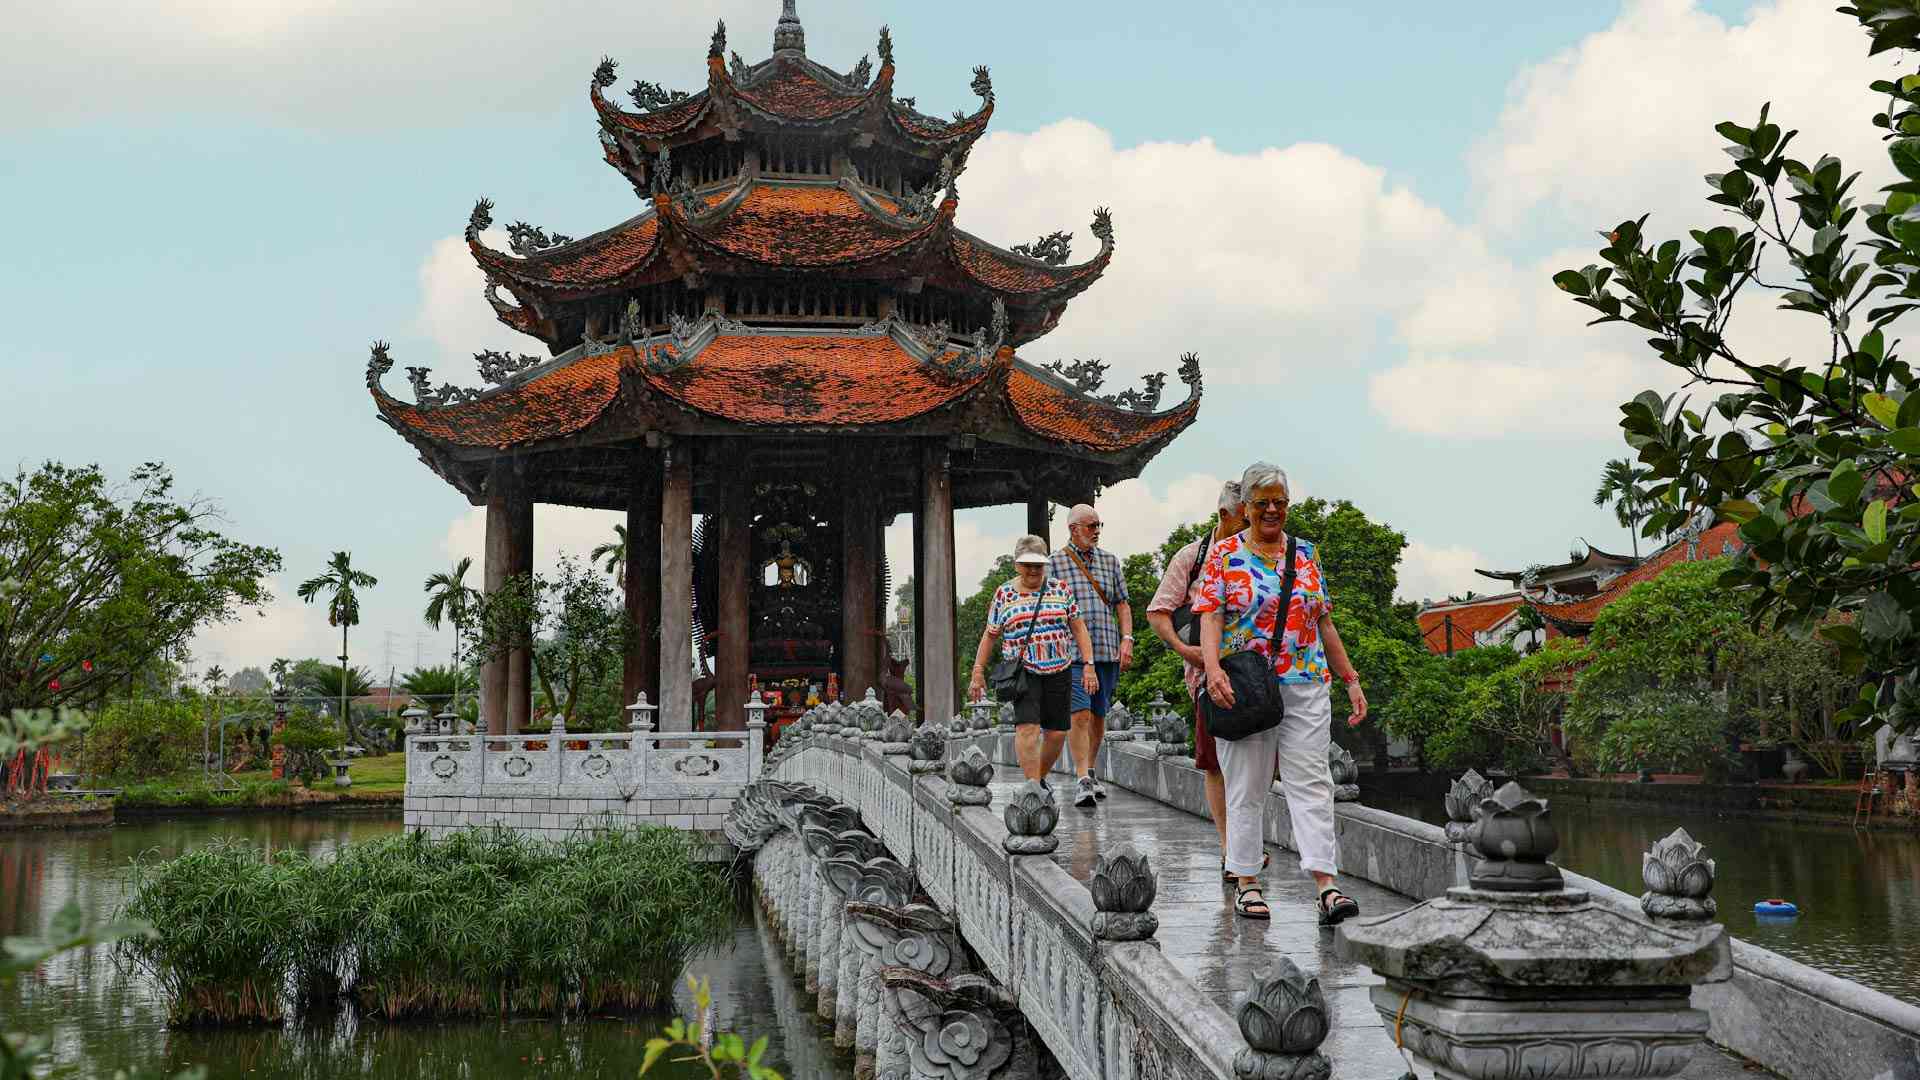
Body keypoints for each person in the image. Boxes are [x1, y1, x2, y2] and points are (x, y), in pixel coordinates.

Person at [1194, 462, 1367, 925]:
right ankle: (1247, 882)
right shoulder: (1224, 555)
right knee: (1247, 786)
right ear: (1246, 507)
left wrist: (1350, 679)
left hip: (1306, 682)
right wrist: (1212, 670)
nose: (1272, 509)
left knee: (1312, 783)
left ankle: (1326, 884)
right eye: (1262, 502)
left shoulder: (1307, 553)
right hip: (1247, 687)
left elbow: (1323, 621)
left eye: (1280, 502)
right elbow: (1209, 616)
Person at [1144, 480, 1248, 873]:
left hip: (1255, 674)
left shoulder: (1260, 555)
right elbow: (1158, 611)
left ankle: (1246, 843)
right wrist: (1184, 649)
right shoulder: (1193, 557)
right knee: (1216, 763)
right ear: (1224, 515)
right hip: (1207, 676)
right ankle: (1228, 849)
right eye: (1245, 519)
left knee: (1252, 764)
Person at [968, 535, 1100, 785]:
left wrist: (1089, 665)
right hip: (1024, 672)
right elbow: (990, 634)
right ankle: (1031, 787)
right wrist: (978, 672)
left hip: (1059, 668)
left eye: (1038, 565)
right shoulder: (1004, 594)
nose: (1033, 570)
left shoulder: (1061, 589)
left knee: (1057, 733)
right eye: (1027, 565)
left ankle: (1038, 779)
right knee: (1027, 728)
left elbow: (1079, 628)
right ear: (1017, 565)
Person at [1048, 503, 1132, 807]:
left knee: (1099, 715)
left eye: (1099, 525)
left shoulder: (1110, 562)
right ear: (1073, 529)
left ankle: (1091, 770)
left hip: (1107, 648)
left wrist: (1128, 638)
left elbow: (1122, 604)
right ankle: (1081, 779)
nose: (1096, 531)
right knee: (1079, 713)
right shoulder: (1054, 563)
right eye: (1091, 526)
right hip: (1072, 654)